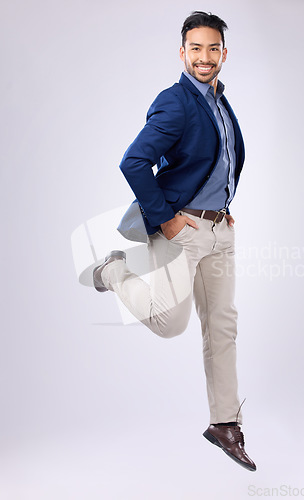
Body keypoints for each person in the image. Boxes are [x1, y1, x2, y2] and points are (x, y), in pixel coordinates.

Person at [93, 11, 256, 471]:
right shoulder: (177, 101)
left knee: (223, 327)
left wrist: (221, 206)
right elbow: (134, 162)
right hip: (182, 229)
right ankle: (112, 270)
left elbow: (218, 161)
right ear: (182, 52)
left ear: (224, 53)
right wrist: (166, 221)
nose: (205, 58)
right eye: (196, 49)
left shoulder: (220, 101)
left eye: (213, 49)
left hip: (219, 229)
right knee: (170, 323)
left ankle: (224, 423)